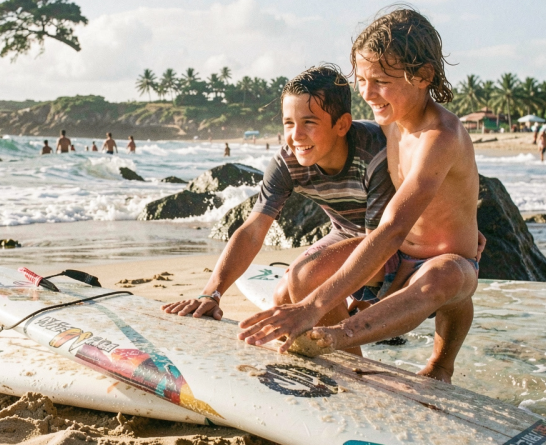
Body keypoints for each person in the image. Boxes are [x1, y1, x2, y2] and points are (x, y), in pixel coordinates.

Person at [238, 8, 482, 384]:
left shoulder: (441, 136)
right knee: (303, 275)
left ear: (423, 75)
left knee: (443, 277)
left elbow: (394, 226)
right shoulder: (392, 124)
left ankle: (433, 364)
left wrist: (313, 306)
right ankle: (353, 365)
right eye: (363, 80)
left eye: (380, 81)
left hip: (448, 262)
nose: (367, 94)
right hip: (394, 256)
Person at [162, 65, 395, 359]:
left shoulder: (374, 152)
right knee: (283, 296)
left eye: (309, 122)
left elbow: (380, 243)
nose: (296, 135)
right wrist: (212, 293)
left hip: (395, 243)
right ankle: (326, 362)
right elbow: (253, 230)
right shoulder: (287, 162)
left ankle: (354, 366)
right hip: (347, 236)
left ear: (342, 125)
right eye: (288, 123)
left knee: (305, 276)